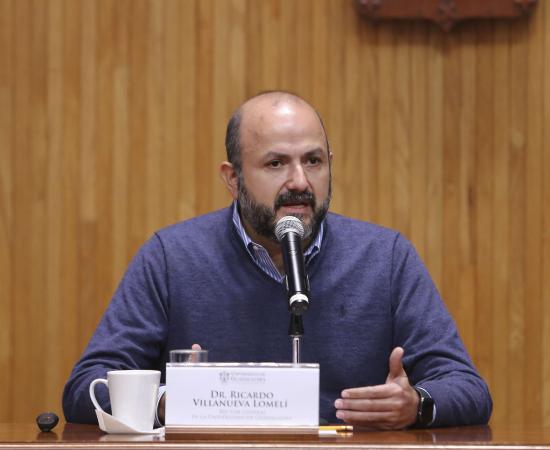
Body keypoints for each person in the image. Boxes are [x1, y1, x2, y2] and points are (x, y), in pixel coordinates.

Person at [63, 91, 492, 429]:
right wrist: (164, 402)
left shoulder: (385, 257)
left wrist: (416, 405)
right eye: (276, 163)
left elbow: (468, 388)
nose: (300, 181)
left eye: (313, 161)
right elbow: (87, 387)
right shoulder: (171, 257)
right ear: (233, 179)